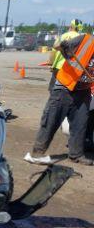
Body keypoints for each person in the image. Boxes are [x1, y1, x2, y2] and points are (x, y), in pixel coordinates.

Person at [25, 32, 94, 166]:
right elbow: (61, 48)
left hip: (83, 90)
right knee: (51, 120)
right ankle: (37, 152)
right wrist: (65, 48)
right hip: (65, 87)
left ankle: (76, 155)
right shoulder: (86, 40)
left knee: (80, 124)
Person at [46, 19, 83, 91]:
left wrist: (51, 63)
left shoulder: (62, 36)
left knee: (53, 89)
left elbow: (54, 50)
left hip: (59, 67)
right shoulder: (81, 38)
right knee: (69, 90)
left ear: (71, 26)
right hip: (73, 68)